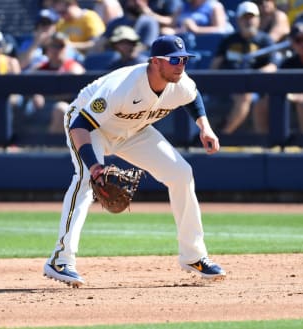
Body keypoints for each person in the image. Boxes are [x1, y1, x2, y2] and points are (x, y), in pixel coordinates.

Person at [43, 34, 226, 287]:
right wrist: (95, 166)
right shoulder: (122, 86)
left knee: (181, 174)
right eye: (174, 60)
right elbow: (79, 126)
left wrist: (205, 127)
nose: (181, 65)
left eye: (184, 59)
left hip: (134, 130)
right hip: (90, 127)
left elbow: (193, 97)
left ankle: (193, 256)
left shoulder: (180, 82)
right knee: (85, 179)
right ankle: (60, 259)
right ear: (155, 62)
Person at [210, 1, 277, 134]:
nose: (248, 21)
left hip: (255, 86)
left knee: (246, 96)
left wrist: (252, 78)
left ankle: (224, 135)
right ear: (238, 20)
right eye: (245, 18)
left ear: (258, 19)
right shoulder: (229, 40)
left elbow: (272, 66)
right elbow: (215, 65)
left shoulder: (265, 40)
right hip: (229, 85)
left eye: (252, 17)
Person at [25, 32, 86, 134]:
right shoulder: (39, 68)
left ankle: (51, 147)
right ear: (47, 49)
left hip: (69, 108)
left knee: (60, 109)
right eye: (53, 46)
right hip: (43, 108)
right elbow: (25, 84)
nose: (56, 50)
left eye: (60, 46)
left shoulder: (73, 67)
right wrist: (35, 94)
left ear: (66, 49)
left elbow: (78, 93)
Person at [169, 0, 234, 35]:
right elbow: (172, 23)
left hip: (205, 46)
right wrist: (171, 31)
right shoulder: (182, 5)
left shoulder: (215, 6)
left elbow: (221, 29)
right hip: (182, 43)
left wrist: (196, 29)